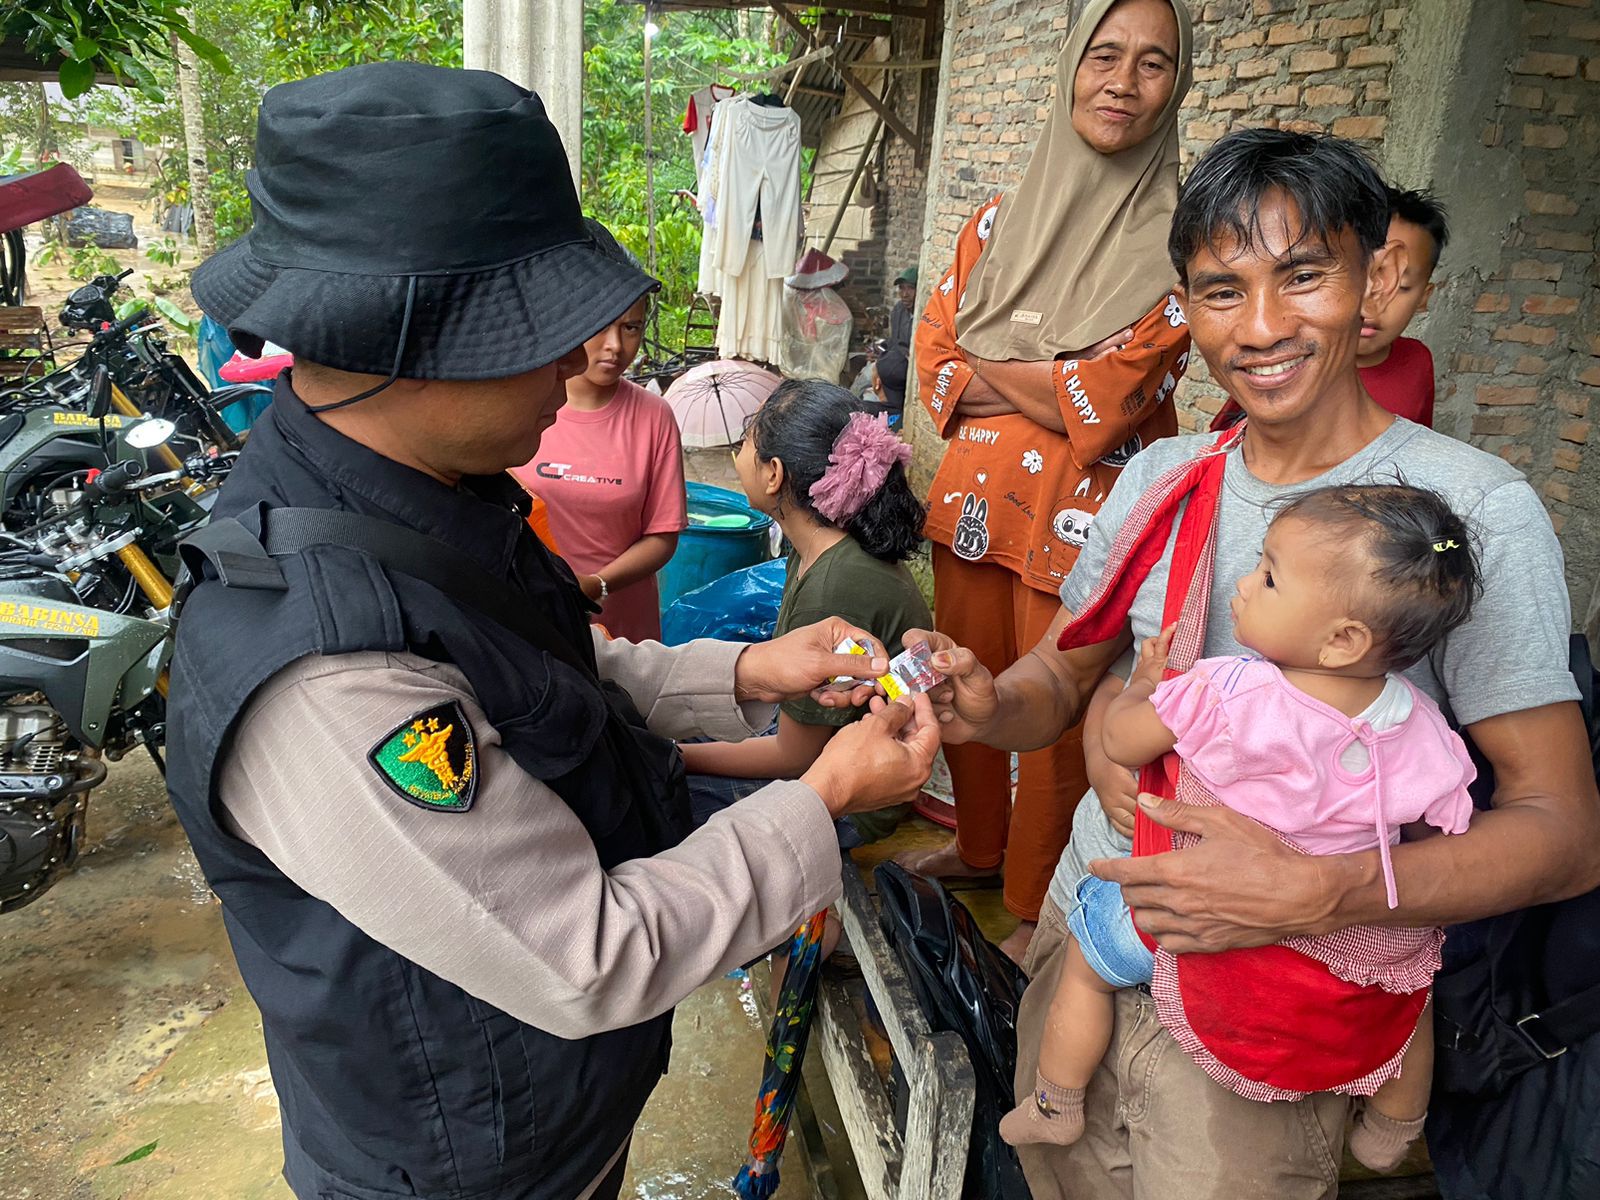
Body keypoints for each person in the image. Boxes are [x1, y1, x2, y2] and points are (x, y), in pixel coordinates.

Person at [164, 63, 940, 1200]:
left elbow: (544, 669)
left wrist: (750, 668)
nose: (582, 362)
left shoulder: (431, 493)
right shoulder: (326, 671)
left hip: (557, 1115)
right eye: (539, 330)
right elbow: (590, 954)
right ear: (406, 346)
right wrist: (820, 798)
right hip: (472, 1167)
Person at [910, 129, 1600, 1199]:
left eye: (1304, 276)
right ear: (1186, 305)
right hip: (1097, 936)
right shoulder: (1165, 476)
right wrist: (982, 701)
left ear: (1374, 280)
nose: (1263, 326)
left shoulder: (1468, 514)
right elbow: (1057, 680)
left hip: (1281, 1009)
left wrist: (1316, 892)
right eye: (1222, 290)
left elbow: (1563, 835)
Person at [1000, 483, 1483, 1177]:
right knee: (1408, 989)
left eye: (1269, 576)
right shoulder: (1416, 721)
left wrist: (1144, 684)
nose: (1245, 582)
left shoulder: (1229, 689)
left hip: (1192, 913)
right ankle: (1392, 1126)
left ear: (1343, 640)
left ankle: (1056, 1100)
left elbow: (1124, 741)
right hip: (1340, 934)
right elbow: (1448, 815)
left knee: (1088, 958)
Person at [901, 0, 1195, 960]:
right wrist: (1056, 380)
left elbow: (1112, 399)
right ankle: (978, 845)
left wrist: (1001, 368)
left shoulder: (1183, 248)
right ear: (1072, 66)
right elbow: (935, 365)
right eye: (1104, 55)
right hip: (975, 511)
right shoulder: (996, 223)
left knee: (1060, 713)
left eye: (1153, 63)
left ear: (1176, 86)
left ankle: (1035, 900)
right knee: (966, 683)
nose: (1123, 81)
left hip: (1088, 526)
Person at [683, 379, 931, 849]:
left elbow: (793, 757)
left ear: (774, 474)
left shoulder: (834, 585)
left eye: (746, 442)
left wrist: (677, 757)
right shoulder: (819, 543)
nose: (739, 454)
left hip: (858, 794)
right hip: (818, 743)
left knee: (663, 796)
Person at [508, 219, 685, 643]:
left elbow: (662, 535)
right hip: (532, 615)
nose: (615, 346)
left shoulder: (654, 416)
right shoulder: (524, 406)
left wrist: (597, 585)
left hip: (625, 629)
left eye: (631, 327)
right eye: (601, 325)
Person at [1213, 184, 1449, 432]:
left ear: (1423, 298)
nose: (1370, 300)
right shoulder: (1286, 364)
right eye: (1360, 275)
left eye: (1400, 286)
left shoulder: (1418, 361)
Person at [872, 265, 918, 411]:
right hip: (894, 363)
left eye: (910, 288)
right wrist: (879, 350)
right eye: (901, 288)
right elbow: (894, 342)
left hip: (907, 369)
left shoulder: (924, 314)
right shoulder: (899, 310)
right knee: (866, 376)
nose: (905, 294)